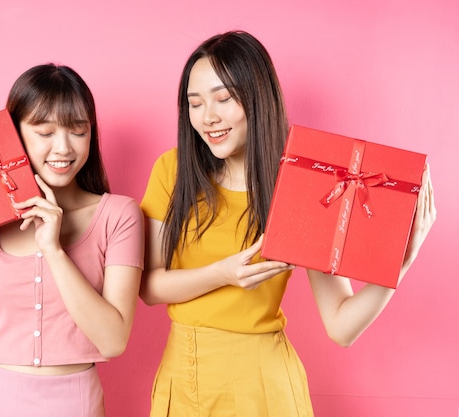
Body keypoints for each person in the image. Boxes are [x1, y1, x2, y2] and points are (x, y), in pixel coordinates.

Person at [139, 31, 436, 417]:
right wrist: (223, 274)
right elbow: (148, 287)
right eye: (195, 104)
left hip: (262, 387)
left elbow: (341, 326)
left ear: (258, 97)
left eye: (223, 99)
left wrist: (401, 263)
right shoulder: (173, 170)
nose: (207, 117)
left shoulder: (302, 186)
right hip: (183, 378)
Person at [0, 64, 144, 417]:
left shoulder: (119, 215)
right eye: (44, 131)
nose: (63, 147)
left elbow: (113, 341)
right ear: (14, 134)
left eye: (78, 131)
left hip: (74, 404)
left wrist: (53, 249)